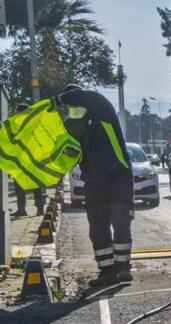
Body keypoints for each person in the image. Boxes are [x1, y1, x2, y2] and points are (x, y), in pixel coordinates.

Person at [55, 85, 133, 286]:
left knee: (120, 219)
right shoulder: (72, 126)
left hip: (118, 176)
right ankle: (107, 270)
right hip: (93, 181)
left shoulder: (102, 112)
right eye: (70, 106)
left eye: (75, 103)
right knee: (97, 226)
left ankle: (123, 267)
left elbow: (89, 97)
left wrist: (57, 99)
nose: (74, 108)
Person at [9, 103, 47, 220]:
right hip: (29, 160)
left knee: (28, 185)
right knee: (28, 185)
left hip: (29, 159)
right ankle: (34, 209)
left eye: (18, 112)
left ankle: (27, 209)